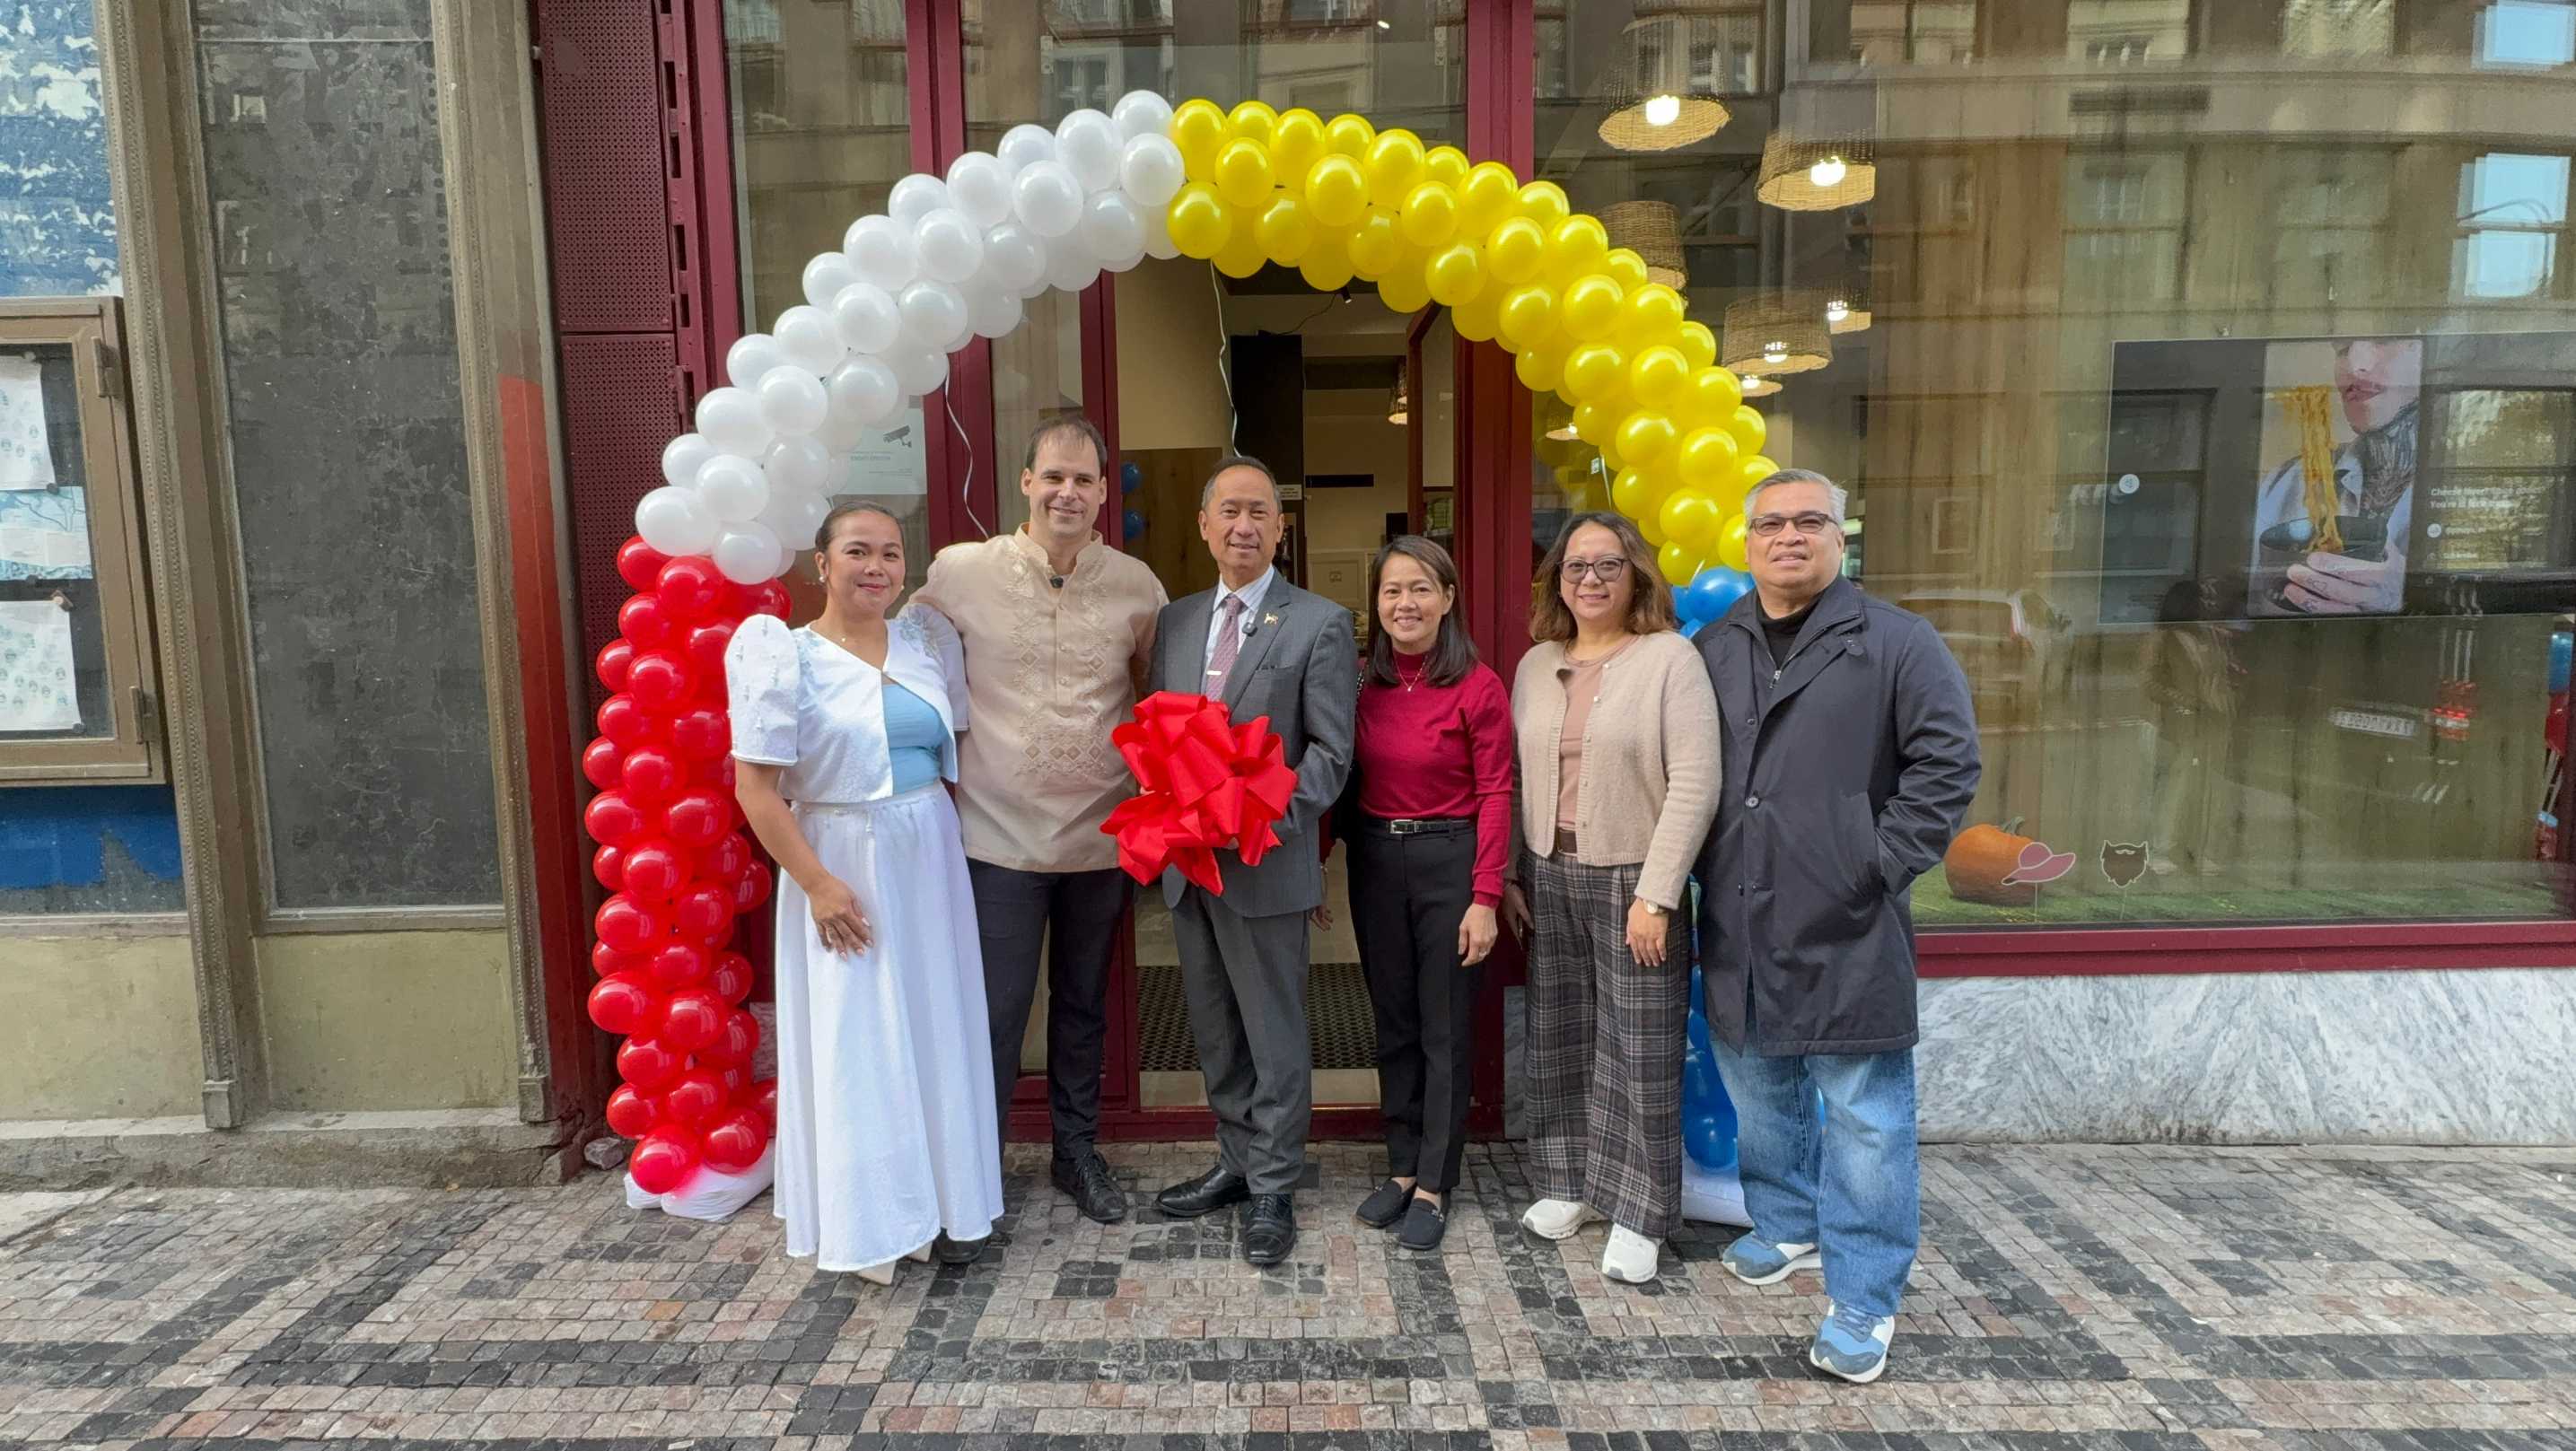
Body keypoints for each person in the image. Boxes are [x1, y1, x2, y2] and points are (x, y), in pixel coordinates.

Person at [1693, 468, 1980, 1384]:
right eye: (1770, 523)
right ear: (1747, 543)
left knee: (1865, 1117)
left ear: (1839, 536)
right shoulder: (1715, 645)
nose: (1788, 536)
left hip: (1848, 918)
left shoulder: (1896, 642)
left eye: (1808, 521)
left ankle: (1863, 1297)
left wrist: (1875, 863)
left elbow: (1947, 765)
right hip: (1738, 910)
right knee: (1759, 1084)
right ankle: (1785, 1225)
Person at [725, 503, 1003, 1285]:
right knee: (860, 1036)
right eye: (857, 551)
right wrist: (816, 883)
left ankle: (943, 1204)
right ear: (822, 564)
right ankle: (874, 1221)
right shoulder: (783, 655)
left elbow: (958, 746)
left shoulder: (927, 641)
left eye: (889, 552)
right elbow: (755, 789)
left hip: (928, 856)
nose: (876, 566)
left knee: (932, 1024)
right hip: (839, 857)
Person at [911, 414, 1167, 1232]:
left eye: (1084, 479)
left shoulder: (1136, 585)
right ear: (1025, 483)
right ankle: (973, 1172)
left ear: (1104, 491)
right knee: (995, 1011)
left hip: (1101, 837)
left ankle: (1075, 1150)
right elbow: (906, 664)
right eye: (1053, 476)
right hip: (997, 840)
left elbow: (1158, 692)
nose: (1068, 492)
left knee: (1084, 1006)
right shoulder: (960, 572)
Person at [1144, 455, 1357, 1267]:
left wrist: (1251, 817)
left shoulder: (1318, 622)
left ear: (1280, 527)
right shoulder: (1176, 621)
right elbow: (1158, 732)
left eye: (1259, 512)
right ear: (1204, 525)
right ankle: (1235, 1160)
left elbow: (1330, 756)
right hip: (1187, 865)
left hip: (1262, 861)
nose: (1244, 526)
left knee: (1273, 1032)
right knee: (1213, 1027)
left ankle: (1274, 1181)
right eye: (1229, 511)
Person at [1503, 511, 1721, 1287]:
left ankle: (1640, 1211)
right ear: (1556, 580)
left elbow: (1696, 780)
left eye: (1607, 565)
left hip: (1635, 876)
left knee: (1640, 1047)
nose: (1590, 579)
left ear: (1636, 575)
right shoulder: (1536, 664)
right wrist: (1514, 875)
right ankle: (1569, 1182)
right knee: (1558, 1034)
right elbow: (1518, 777)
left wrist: (1658, 895)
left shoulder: (1670, 659)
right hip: (1549, 870)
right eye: (1575, 566)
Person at [1320, 536, 1512, 1254]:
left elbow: (1497, 792)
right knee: (1393, 1019)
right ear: (1376, 602)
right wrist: (1316, 866)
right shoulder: (1360, 687)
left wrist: (1485, 895)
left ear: (1448, 598)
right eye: (1393, 590)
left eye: (1421, 588)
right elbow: (1337, 779)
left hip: (1449, 861)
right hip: (1375, 858)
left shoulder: (1478, 687)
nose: (1406, 603)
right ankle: (1401, 1166)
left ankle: (1435, 1181)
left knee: (1445, 1026)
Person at [2251, 337, 2421, 616]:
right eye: (2342, 348)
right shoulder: (2284, 482)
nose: (2354, 366)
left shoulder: (2460, 484)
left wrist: (2411, 596)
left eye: (2384, 340)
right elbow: (2237, 604)